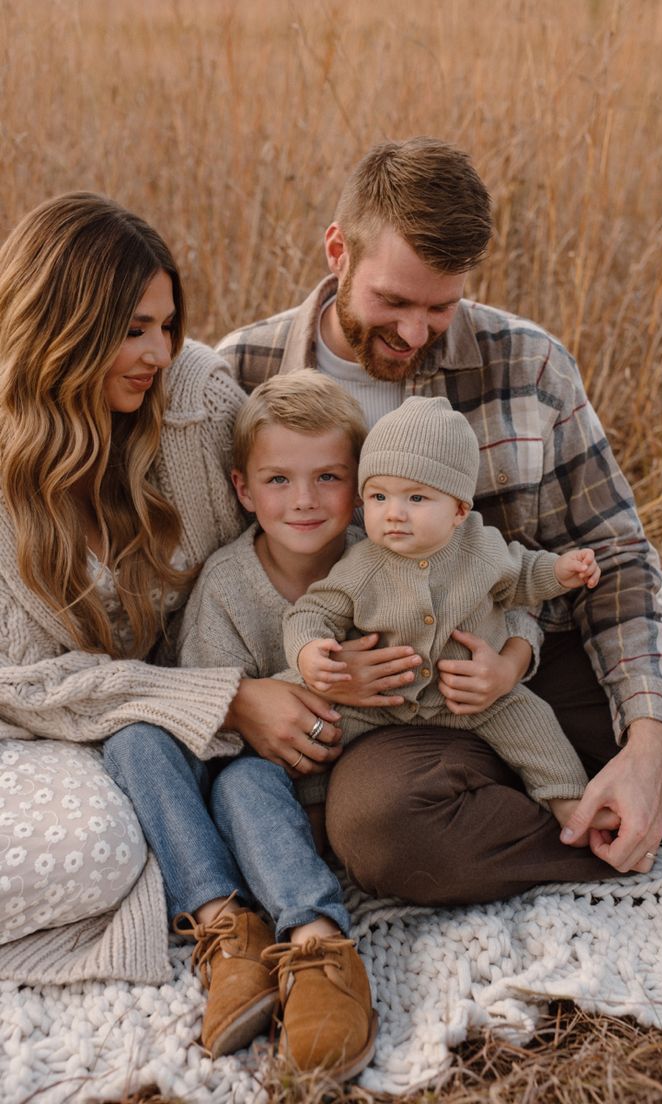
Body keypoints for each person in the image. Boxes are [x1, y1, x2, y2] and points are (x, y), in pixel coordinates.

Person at [216, 136, 662, 902]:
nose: (419, 332)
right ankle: (610, 830)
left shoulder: (528, 364)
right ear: (338, 251)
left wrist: (649, 739)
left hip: (538, 664)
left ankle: (636, 790)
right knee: (386, 830)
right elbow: (185, 584)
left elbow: (615, 557)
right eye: (393, 302)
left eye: (441, 306)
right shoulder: (239, 376)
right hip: (392, 724)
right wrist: (263, 686)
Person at [0, 192, 248, 989]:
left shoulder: (200, 403)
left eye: (166, 325)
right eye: (133, 330)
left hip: (135, 736)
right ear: (59, 329)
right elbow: (26, 684)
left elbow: (277, 543)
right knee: (102, 845)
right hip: (32, 732)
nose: (159, 353)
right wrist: (226, 703)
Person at [106, 371, 378, 1078]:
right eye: (279, 480)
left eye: (328, 477)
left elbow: (394, 685)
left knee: (247, 781)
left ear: (357, 483)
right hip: (237, 776)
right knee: (136, 738)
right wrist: (295, 686)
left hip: (328, 785)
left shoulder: (376, 570)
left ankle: (319, 944)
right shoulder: (227, 582)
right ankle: (226, 927)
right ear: (242, 489)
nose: (305, 500)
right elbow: (210, 713)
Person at [286, 395, 607, 832]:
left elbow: (523, 576)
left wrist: (562, 571)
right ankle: (311, 809)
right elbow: (312, 611)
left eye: (416, 497)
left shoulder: (481, 549)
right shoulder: (361, 564)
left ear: (458, 510)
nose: (394, 513)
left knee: (533, 722)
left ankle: (567, 799)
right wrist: (308, 652)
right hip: (382, 702)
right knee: (314, 720)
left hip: (474, 698)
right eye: (379, 496)